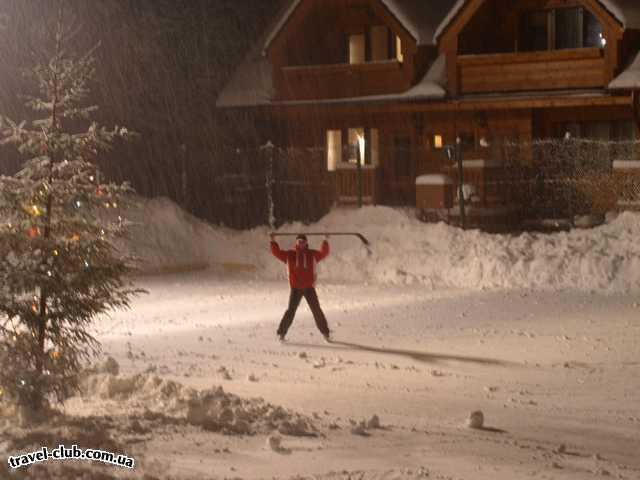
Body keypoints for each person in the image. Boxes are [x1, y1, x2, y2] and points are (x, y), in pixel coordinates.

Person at [270, 233, 331, 343]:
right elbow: (276, 252)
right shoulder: (290, 255)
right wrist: (273, 241)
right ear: (296, 243)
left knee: (316, 310)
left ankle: (325, 332)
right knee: (290, 311)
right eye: (299, 241)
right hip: (296, 289)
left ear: (306, 243)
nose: (301, 243)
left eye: (303, 242)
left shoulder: (312, 254)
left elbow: (324, 253)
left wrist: (325, 240)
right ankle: (281, 333)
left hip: (309, 288)